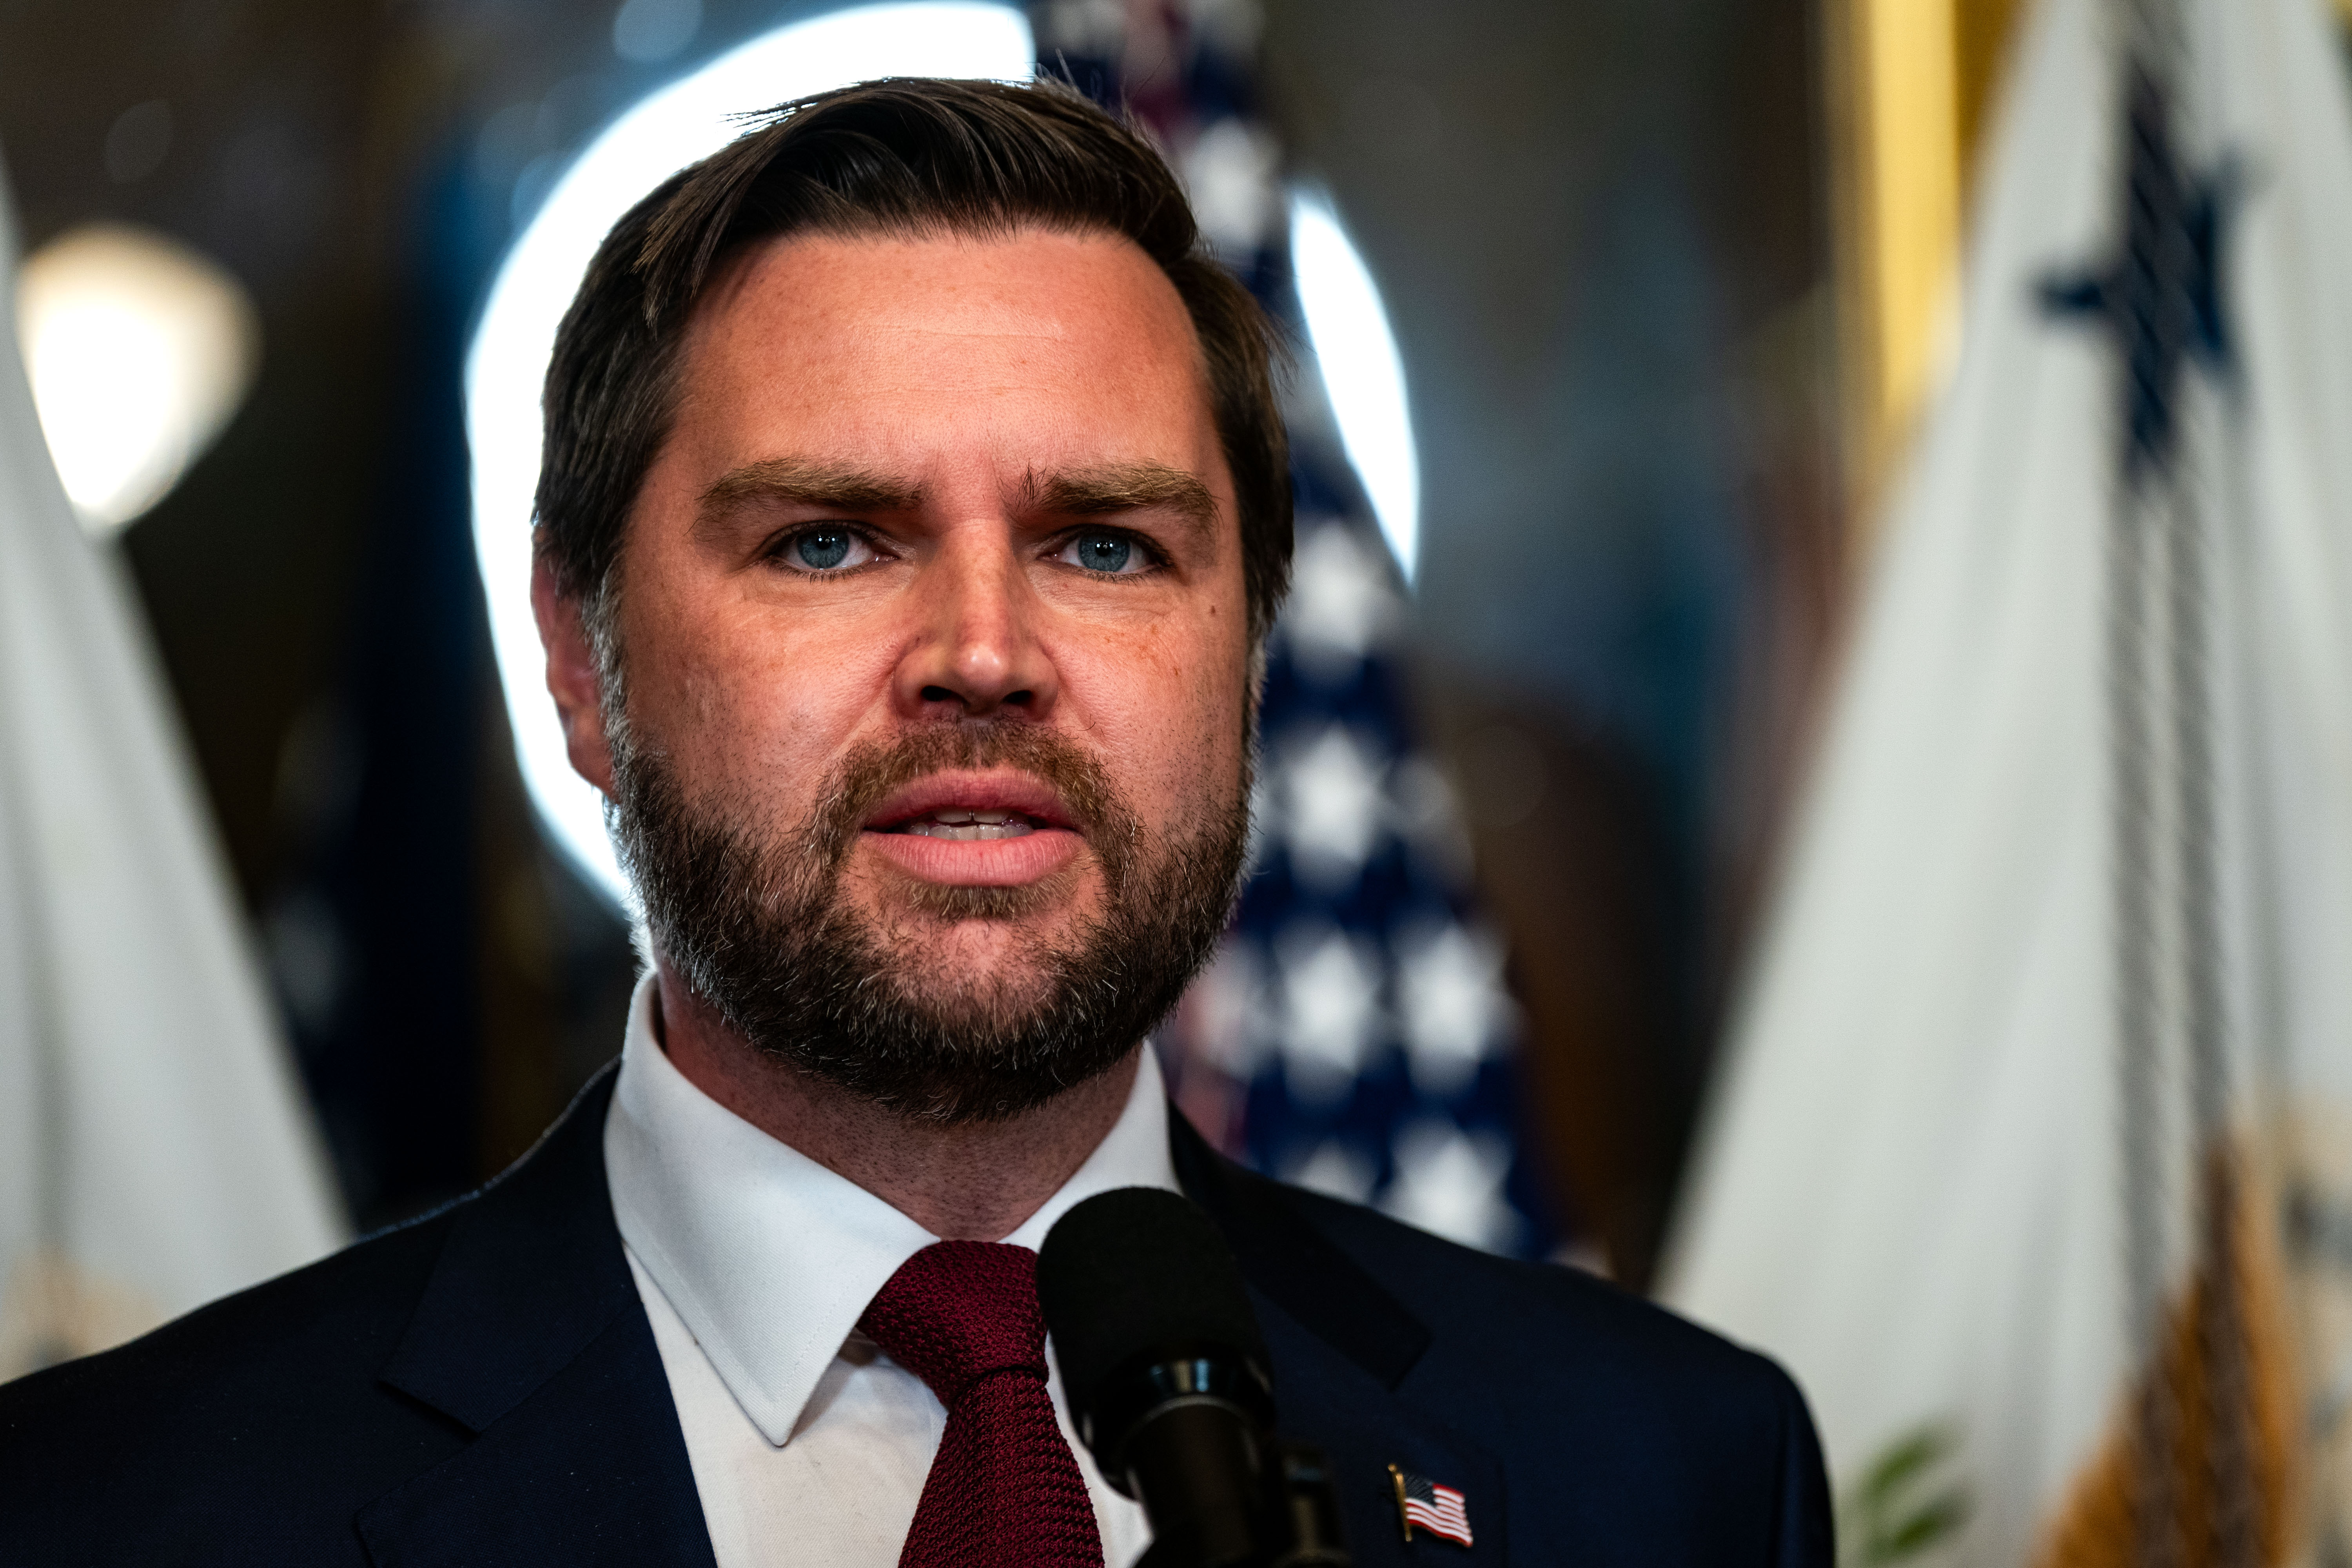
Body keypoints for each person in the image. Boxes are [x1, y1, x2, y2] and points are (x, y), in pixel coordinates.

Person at [0, 78, 1829, 1566]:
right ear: (578, 660)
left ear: (1248, 651)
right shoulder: (116, 1513)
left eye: (1104, 543)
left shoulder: (1656, 1481)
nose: (983, 653)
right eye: (831, 540)